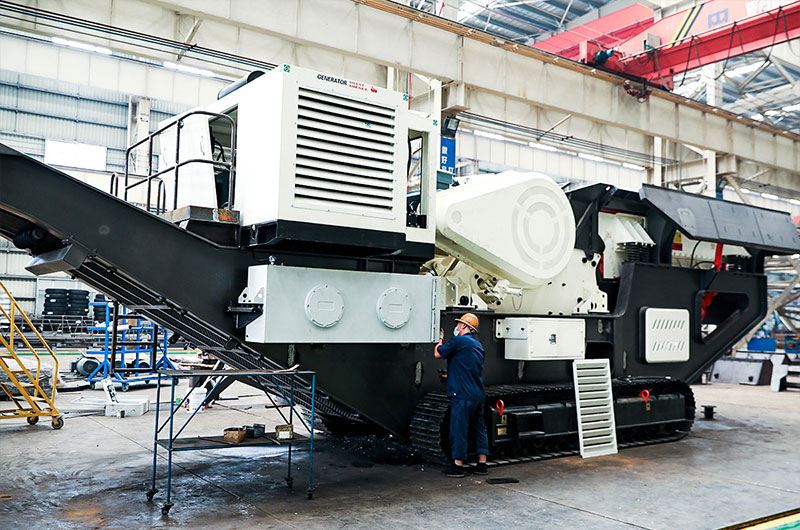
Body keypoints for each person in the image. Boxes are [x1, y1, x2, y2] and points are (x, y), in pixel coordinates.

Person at [434, 312, 489, 477]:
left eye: (458, 324)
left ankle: (458, 466)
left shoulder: (458, 341)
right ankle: (482, 464)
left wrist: (440, 339)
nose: (456, 327)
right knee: (479, 429)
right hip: (477, 394)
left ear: (464, 326)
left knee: (459, 429)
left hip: (462, 394)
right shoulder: (478, 345)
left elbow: (438, 353)